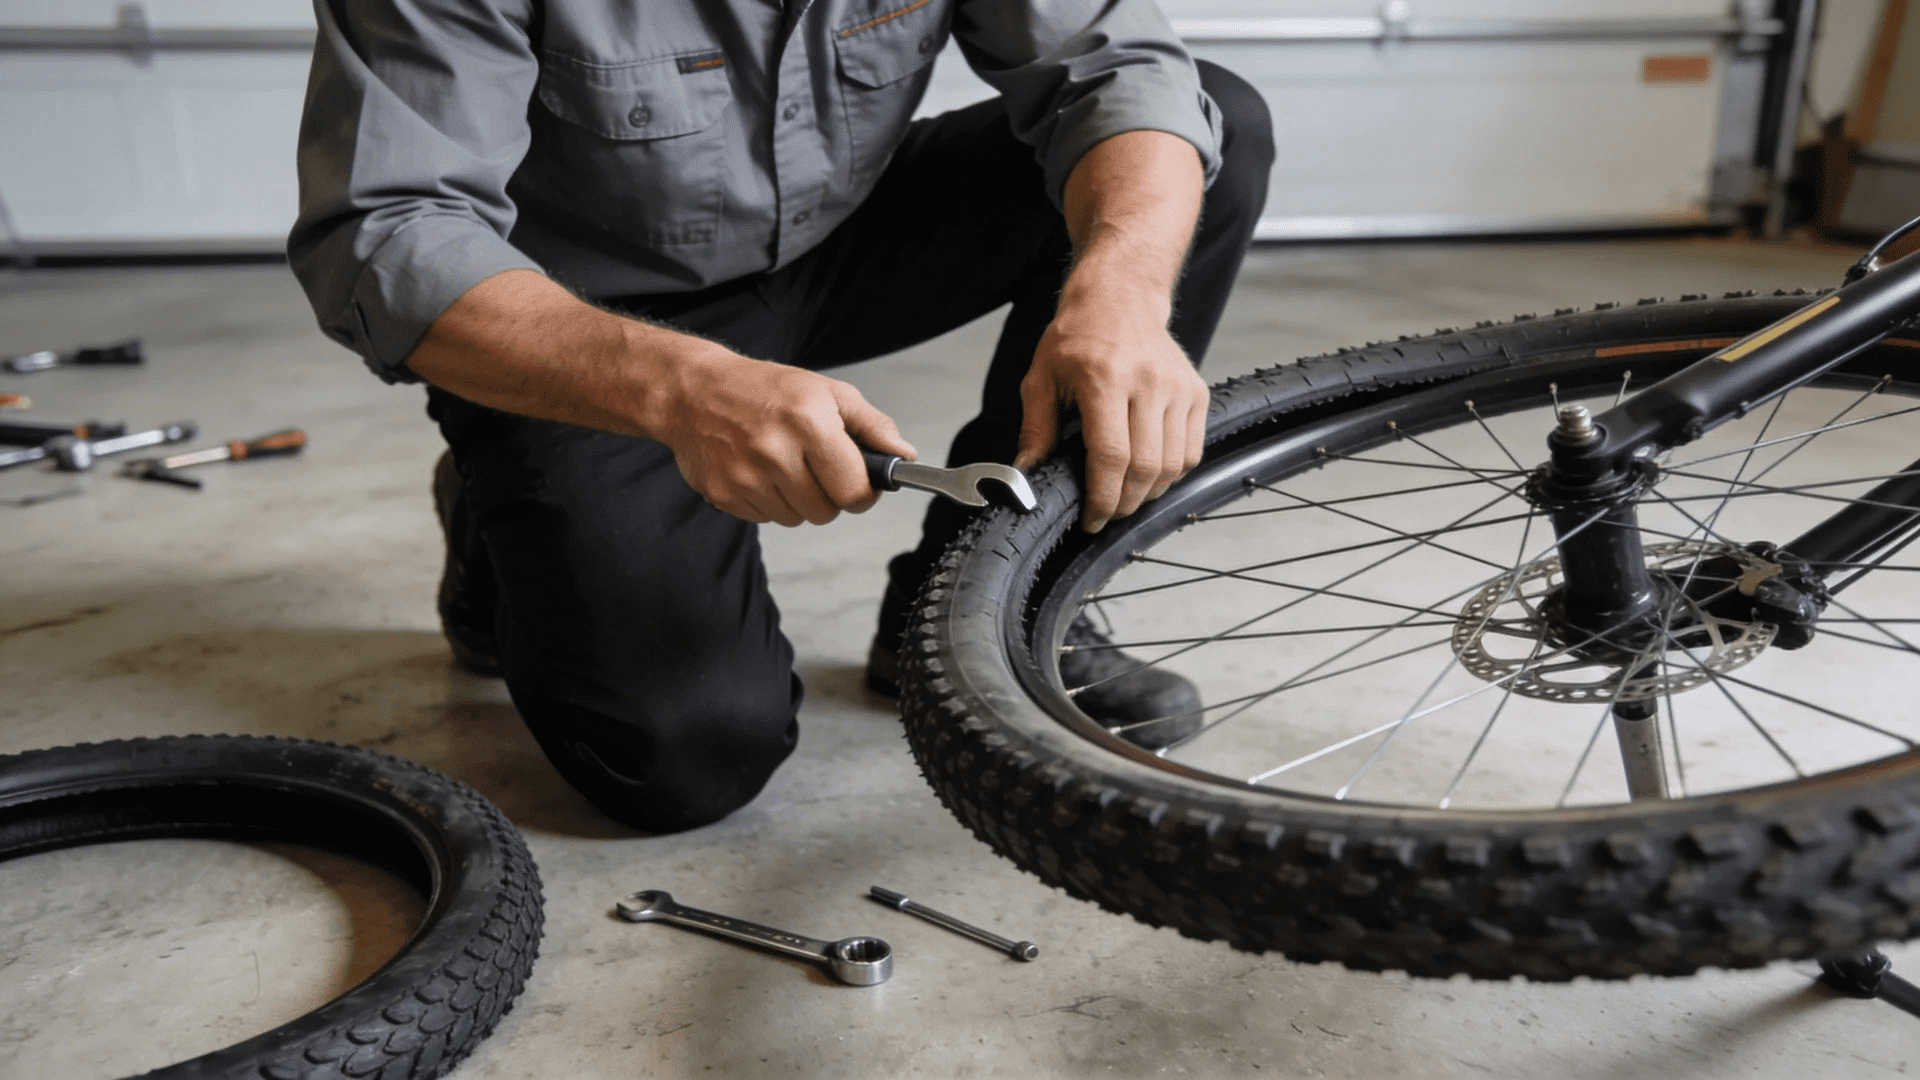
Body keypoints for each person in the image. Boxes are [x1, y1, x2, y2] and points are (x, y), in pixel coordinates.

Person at [289, 0, 1273, 833]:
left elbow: (1117, 65)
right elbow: (388, 232)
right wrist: (680, 389)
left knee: (1201, 132)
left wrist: (1123, 287)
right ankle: (501, 507)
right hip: (586, 320)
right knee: (685, 758)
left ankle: (968, 604)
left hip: (836, 241)